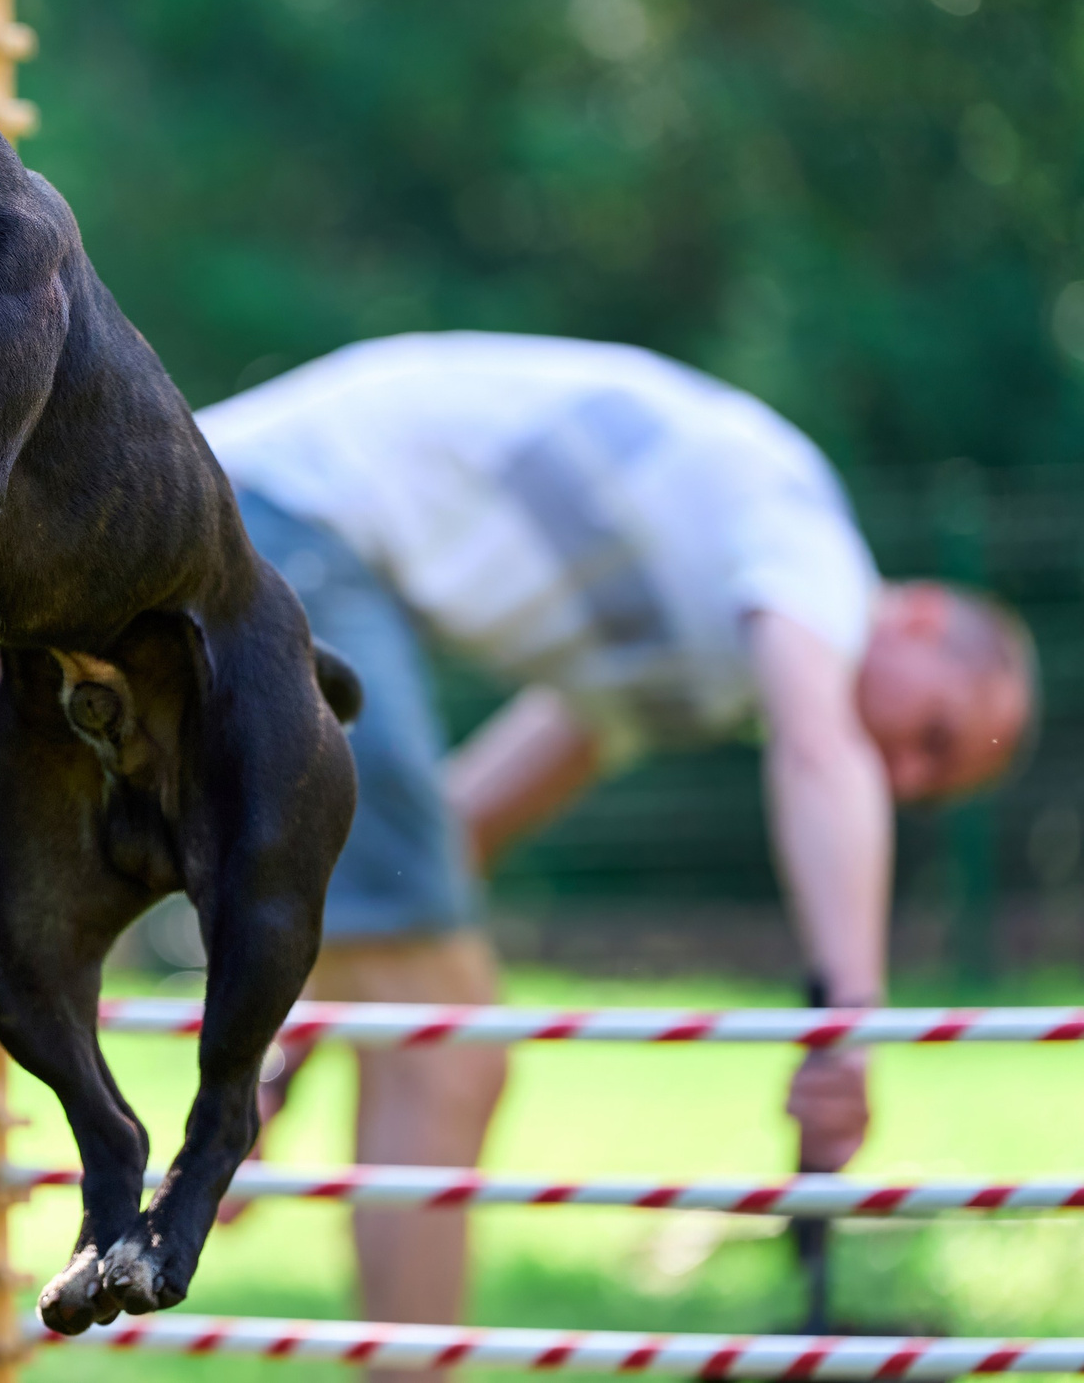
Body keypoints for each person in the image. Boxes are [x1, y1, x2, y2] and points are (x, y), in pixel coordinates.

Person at [196, 331, 1032, 1372]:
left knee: (435, 1029)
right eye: (933, 735)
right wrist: (846, 1029)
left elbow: (434, 850)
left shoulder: (687, 660)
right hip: (264, 518)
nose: (901, 776)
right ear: (915, 616)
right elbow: (819, 756)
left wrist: (264, 1064)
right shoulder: (806, 542)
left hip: (241, 521)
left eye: (930, 781)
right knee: (450, 1048)